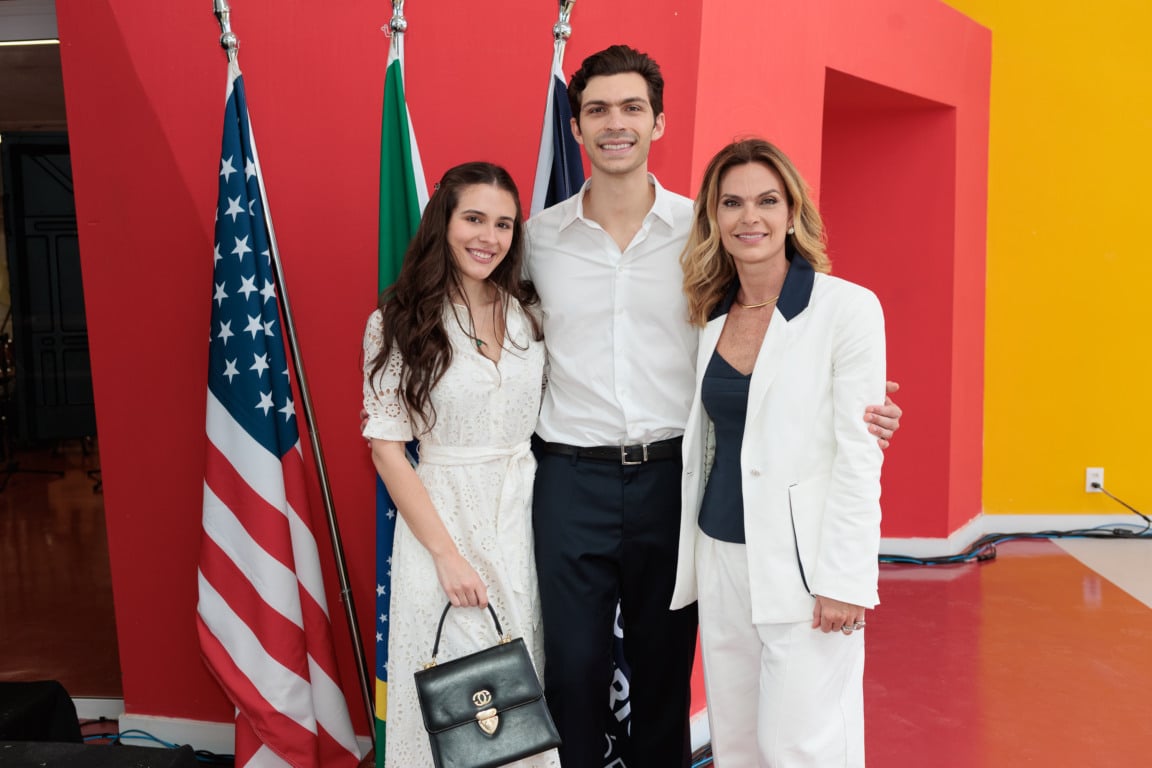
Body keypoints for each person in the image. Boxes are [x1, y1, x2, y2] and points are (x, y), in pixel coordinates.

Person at [524, 46, 902, 767]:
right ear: (575, 128)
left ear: (659, 122)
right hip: (573, 478)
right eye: (598, 109)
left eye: (632, 107)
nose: (615, 123)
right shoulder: (538, 242)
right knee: (574, 672)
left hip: (674, 480)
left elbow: (798, 349)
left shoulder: (697, 238)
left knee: (669, 679)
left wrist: (857, 406)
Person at [670, 138, 885, 767]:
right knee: (737, 745)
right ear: (713, 217)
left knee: (801, 747)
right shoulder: (707, 314)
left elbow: (859, 455)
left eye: (767, 201)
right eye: (731, 203)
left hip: (806, 564)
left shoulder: (847, 309)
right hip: (720, 553)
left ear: (792, 212)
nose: (750, 217)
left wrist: (845, 580)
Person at [362, 162, 559, 768]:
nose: (489, 237)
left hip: (524, 521)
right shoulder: (399, 320)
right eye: (474, 218)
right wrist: (447, 556)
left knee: (518, 691)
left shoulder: (529, 314)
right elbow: (387, 449)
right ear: (443, 223)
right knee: (458, 693)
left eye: (503, 224)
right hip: (443, 523)